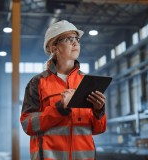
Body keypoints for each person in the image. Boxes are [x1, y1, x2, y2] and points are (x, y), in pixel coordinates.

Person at [20, 20, 107, 160]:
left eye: (76, 39)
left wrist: (99, 111)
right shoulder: (38, 82)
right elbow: (28, 125)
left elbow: (99, 129)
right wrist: (59, 108)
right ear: (54, 48)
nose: (75, 43)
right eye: (69, 39)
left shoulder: (87, 82)